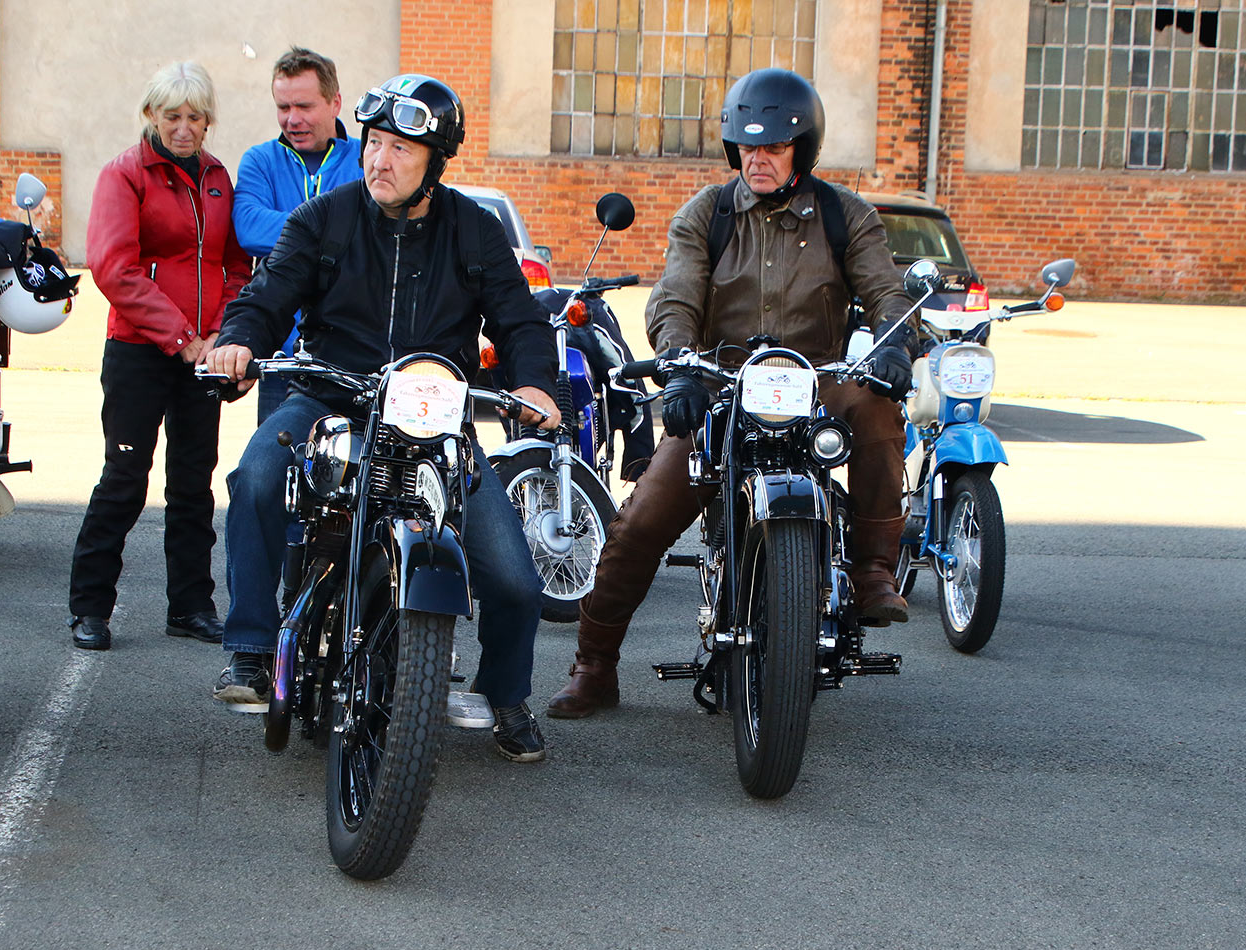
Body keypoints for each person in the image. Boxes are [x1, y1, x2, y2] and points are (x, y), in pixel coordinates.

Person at [205, 74, 559, 762]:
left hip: (433, 419)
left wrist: (535, 385)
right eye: (374, 143)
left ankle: (505, 695)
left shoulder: (474, 232)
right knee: (256, 477)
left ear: (435, 161)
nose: (379, 160)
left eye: (401, 148)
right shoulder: (323, 220)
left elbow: (520, 322)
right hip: (329, 398)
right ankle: (250, 649)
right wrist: (238, 342)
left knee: (515, 577)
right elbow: (267, 295)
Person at [546, 67, 919, 719]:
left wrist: (893, 345)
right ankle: (595, 666)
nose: (758, 158)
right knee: (641, 521)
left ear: (803, 149)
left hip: (816, 380)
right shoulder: (707, 214)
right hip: (722, 382)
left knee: (880, 409)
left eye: (773, 147)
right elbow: (675, 298)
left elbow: (887, 291)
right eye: (748, 147)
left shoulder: (844, 214)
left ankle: (873, 570)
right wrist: (680, 367)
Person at [66, 62, 251, 651]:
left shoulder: (218, 178)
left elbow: (236, 266)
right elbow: (113, 268)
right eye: (173, 116)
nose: (184, 128)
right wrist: (181, 337)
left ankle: (191, 607)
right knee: (124, 478)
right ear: (151, 115)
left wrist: (220, 334)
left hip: (203, 356)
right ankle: (90, 608)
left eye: (196, 117)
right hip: (138, 351)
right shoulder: (124, 174)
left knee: (194, 485)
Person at [232, 47, 363, 424]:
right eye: (283, 107)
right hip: (282, 357)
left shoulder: (366, 158)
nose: (292, 119)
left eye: (304, 106)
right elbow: (249, 227)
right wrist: (338, 230)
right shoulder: (260, 160)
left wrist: (295, 234)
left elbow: (379, 231)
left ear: (335, 102)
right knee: (275, 460)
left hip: (353, 358)